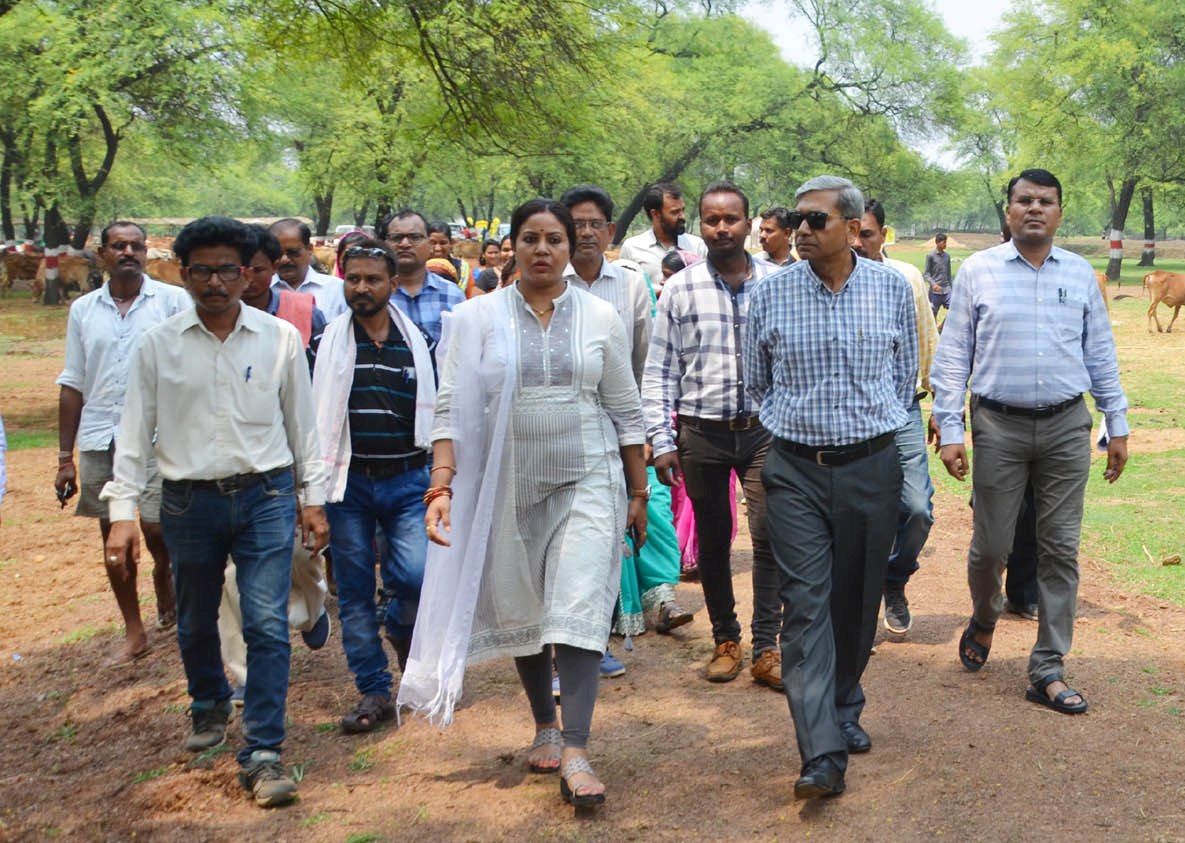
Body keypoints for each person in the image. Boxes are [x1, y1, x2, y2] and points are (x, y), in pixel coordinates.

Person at [399, 198, 648, 810]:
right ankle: (544, 722)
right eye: (531, 238)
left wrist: (639, 491)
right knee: (527, 607)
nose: (543, 249)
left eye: (555, 239)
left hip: (589, 475)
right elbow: (451, 406)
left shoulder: (598, 316)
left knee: (579, 605)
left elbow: (626, 408)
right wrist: (441, 486)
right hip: (506, 481)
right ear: (511, 245)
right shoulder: (476, 317)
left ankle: (578, 749)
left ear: (572, 247)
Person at [101, 216, 330, 807]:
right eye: (201, 270)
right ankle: (207, 703)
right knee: (197, 621)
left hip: (267, 497)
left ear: (248, 273)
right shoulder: (159, 344)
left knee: (264, 624)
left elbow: (303, 426)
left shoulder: (279, 338)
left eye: (228, 269)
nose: (215, 282)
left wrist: (313, 499)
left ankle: (263, 752)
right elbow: (133, 431)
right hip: (188, 502)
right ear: (182, 273)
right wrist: (123, 511)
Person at [931, 168, 1129, 716]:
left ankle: (1047, 666)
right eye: (1024, 201)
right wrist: (951, 428)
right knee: (991, 547)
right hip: (998, 425)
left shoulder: (1081, 274)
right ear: (1008, 212)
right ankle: (986, 613)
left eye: (1045, 201)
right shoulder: (979, 271)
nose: (1034, 209)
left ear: (1060, 213)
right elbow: (953, 358)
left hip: (1067, 425)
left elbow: (1101, 354)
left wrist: (1117, 423)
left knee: (1060, 548)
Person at [746, 175, 917, 799]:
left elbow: (904, 382)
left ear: (851, 225)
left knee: (855, 599)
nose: (803, 231)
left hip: (871, 467)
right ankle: (820, 752)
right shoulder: (770, 295)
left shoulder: (892, 290)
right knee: (807, 605)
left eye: (817, 220)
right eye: (798, 220)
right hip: (793, 470)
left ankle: (846, 704)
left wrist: (865, 436)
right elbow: (757, 383)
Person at [642, 181, 783, 691]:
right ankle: (727, 640)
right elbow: (658, 371)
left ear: (749, 223)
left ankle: (768, 645)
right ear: (700, 226)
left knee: (770, 535)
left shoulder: (778, 283)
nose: (721, 228)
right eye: (711, 220)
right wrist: (660, 439)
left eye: (731, 219)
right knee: (714, 539)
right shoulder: (680, 288)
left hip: (765, 432)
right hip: (700, 432)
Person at [309, 239, 437, 733]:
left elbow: (441, 414)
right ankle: (374, 691)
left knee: (414, 579)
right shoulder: (324, 346)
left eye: (373, 280)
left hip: (409, 480)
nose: (362, 288)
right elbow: (307, 419)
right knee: (356, 592)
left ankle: (405, 642)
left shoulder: (418, 343)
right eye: (353, 279)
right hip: (347, 486)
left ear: (391, 285)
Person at [560, 184, 692, 653]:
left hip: (626, 419)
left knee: (649, 503)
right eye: (577, 224)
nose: (587, 233)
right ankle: (604, 611)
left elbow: (646, 360)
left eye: (597, 224)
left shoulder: (631, 283)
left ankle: (663, 599)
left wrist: (647, 428)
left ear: (611, 231)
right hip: (570, 427)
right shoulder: (552, 284)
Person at [54, 220, 192, 665]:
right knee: (113, 539)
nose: (128, 252)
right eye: (119, 246)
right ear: (102, 255)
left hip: (158, 436)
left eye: (136, 246)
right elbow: (74, 381)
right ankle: (134, 630)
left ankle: (165, 573)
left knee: (155, 527)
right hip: (100, 435)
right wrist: (64, 457)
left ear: (146, 254)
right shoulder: (83, 310)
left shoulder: (171, 302)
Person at [218, 225, 332, 704]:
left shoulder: (304, 316)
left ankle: (312, 607)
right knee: (233, 576)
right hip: (232, 464)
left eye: (257, 271)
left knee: (302, 553)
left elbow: (326, 385)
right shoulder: (206, 321)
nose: (247, 281)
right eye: (237, 272)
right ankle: (245, 676)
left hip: (294, 455)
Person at [853, 199, 939, 635]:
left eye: (866, 234)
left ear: (882, 235)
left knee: (918, 508)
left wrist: (941, 406)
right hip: (848, 416)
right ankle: (858, 616)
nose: (857, 243)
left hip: (902, 409)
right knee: (857, 518)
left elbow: (927, 338)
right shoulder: (829, 279)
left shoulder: (905, 277)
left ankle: (895, 577)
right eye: (852, 232)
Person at [379, 209, 465, 347]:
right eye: (396, 238)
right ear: (385, 244)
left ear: (429, 244)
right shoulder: (375, 295)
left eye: (415, 237)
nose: (405, 244)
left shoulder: (452, 295)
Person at [242, 225, 328, 344]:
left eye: (258, 270)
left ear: (274, 267)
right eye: (242, 271)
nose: (249, 279)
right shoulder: (217, 314)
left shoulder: (307, 312)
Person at [618, 181, 708, 293]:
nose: (682, 217)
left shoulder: (697, 246)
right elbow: (625, 289)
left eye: (683, 210)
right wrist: (657, 294)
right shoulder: (632, 248)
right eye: (675, 212)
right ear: (655, 214)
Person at [269, 217, 348, 319]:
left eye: (293, 252)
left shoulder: (337, 290)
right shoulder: (261, 291)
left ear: (310, 249)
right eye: (278, 254)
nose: (284, 260)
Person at [427, 220, 467, 286]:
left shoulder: (462, 269)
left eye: (443, 243)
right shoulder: (417, 267)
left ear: (451, 243)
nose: (438, 248)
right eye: (433, 243)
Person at [924, 232, 952, 318]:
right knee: (933, 314)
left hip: (947, 289)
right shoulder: (930, 256)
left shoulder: (947, 256)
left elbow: (949, 274)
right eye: (943, 242)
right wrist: (933, 284)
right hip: (935, 291)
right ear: (937, 242)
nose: (945, 244)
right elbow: (926, 274)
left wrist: (952, 288)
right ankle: (934, 331)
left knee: (954, 310)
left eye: (946, 242)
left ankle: (941, 328)